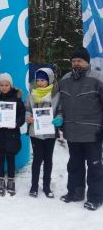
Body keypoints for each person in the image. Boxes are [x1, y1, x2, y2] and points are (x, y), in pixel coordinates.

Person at [58, 46, 103, 211]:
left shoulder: (98, 78)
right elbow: (59, 104)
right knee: (74, 165)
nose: (76, 63)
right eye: (74, 60)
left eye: (80, 60)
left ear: (87, 61)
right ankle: (75, 192)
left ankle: (96, 197)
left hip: (93, 134)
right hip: (72, 133)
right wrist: (59, 119)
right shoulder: (65, 80)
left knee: (95, 166)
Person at [25, 68, 62, 198]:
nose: (40, 83)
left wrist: (59, 118)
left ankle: (47, 186)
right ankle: (34, 186)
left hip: (50, 133)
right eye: (38, 80)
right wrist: (28, 116)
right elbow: (27, 109)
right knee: (37, 159)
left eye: (43, 80)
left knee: (48, 159)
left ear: (50, 80)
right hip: (35, 132)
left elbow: (60, 111)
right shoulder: (31, 94)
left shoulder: (56, 94)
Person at [0, 73, 25, 196]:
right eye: (1, 85)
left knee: (10, 158)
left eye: (6, 85)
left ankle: (11, 180)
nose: (4, 87)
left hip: (12, 135)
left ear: (11, 85)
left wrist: (16, 123)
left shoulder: (17, 99)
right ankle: (0, 181)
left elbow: (22, 116)